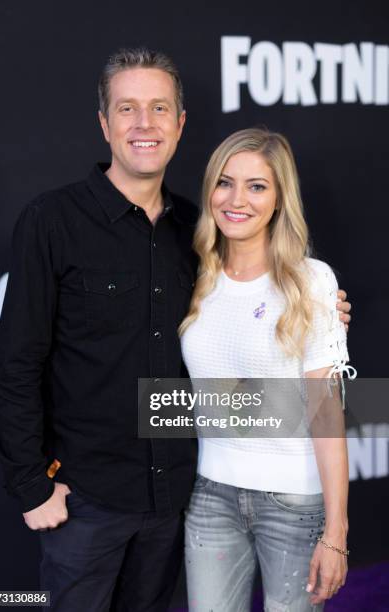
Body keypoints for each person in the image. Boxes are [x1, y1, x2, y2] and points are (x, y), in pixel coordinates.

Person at [0, 49, 351, 612]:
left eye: (159, 108)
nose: (144, 124)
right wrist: (31, 485)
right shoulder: (51, 221)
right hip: (85, 503)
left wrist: (325, 312)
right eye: (127, 109)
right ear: (105, 124)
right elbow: (15, 365)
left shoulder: (197, 234)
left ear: (180, 125)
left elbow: (269, 312)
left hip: (177, 502)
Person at [180, 128, 356, 611]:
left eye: (257, 186)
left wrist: (335, 531)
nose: (237, 200)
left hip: (294, 505)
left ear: (279, 199)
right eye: (225, 182)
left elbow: (326, 412)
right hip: (209, 496)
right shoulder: (191, 275)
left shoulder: (311, 281)